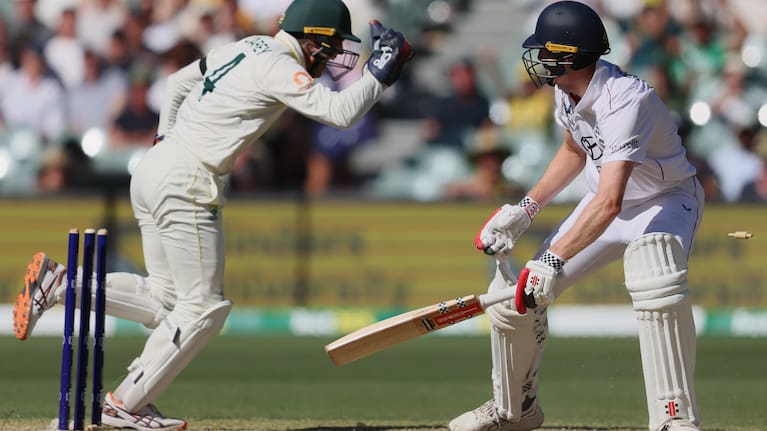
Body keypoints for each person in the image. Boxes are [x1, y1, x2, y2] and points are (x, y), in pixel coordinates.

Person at [12, 1, 413, 430]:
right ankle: (124, 402)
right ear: (310, 38)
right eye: (330, 46)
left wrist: (165, 141)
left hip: (155, 167)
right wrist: (379, 73)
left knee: (169, 299)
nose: (334, 56)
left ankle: (60, 284)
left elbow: (175, 83)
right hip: (188, 179)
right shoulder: (278, 66)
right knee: (204, 307)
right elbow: (339, 113)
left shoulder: (244, 46)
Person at [450, 2, 704, 431]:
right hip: (606, 201)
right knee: (516, 298)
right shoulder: (566, 89)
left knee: (654, 271)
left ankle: (674, 420)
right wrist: (526, 210)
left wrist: (552, 258)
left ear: (568, 56)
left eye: (545, 53)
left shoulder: (626, 100)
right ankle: (515, 410)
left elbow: (610, 202)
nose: (536, 61)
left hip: (664, 200)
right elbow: (574, 150)